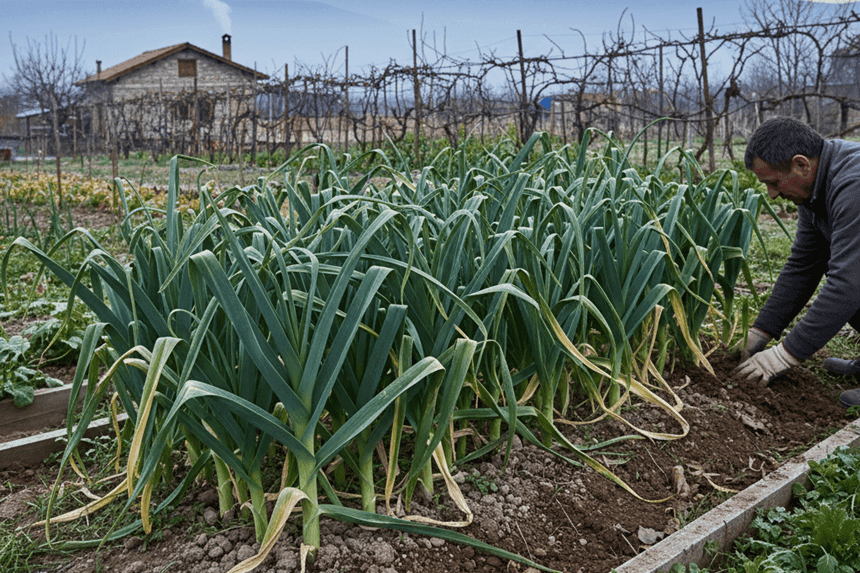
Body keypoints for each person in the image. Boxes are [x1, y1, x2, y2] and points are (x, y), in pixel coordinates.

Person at [733, 116, 860, 407]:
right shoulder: (816, 187)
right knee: (840, 267)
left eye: (774, 183)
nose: (772, 194)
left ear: (801, 164)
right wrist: (761, 331)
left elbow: (848, 285)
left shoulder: (854, 184)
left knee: (850, 278)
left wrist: (783, 355)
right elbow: (804, 263)